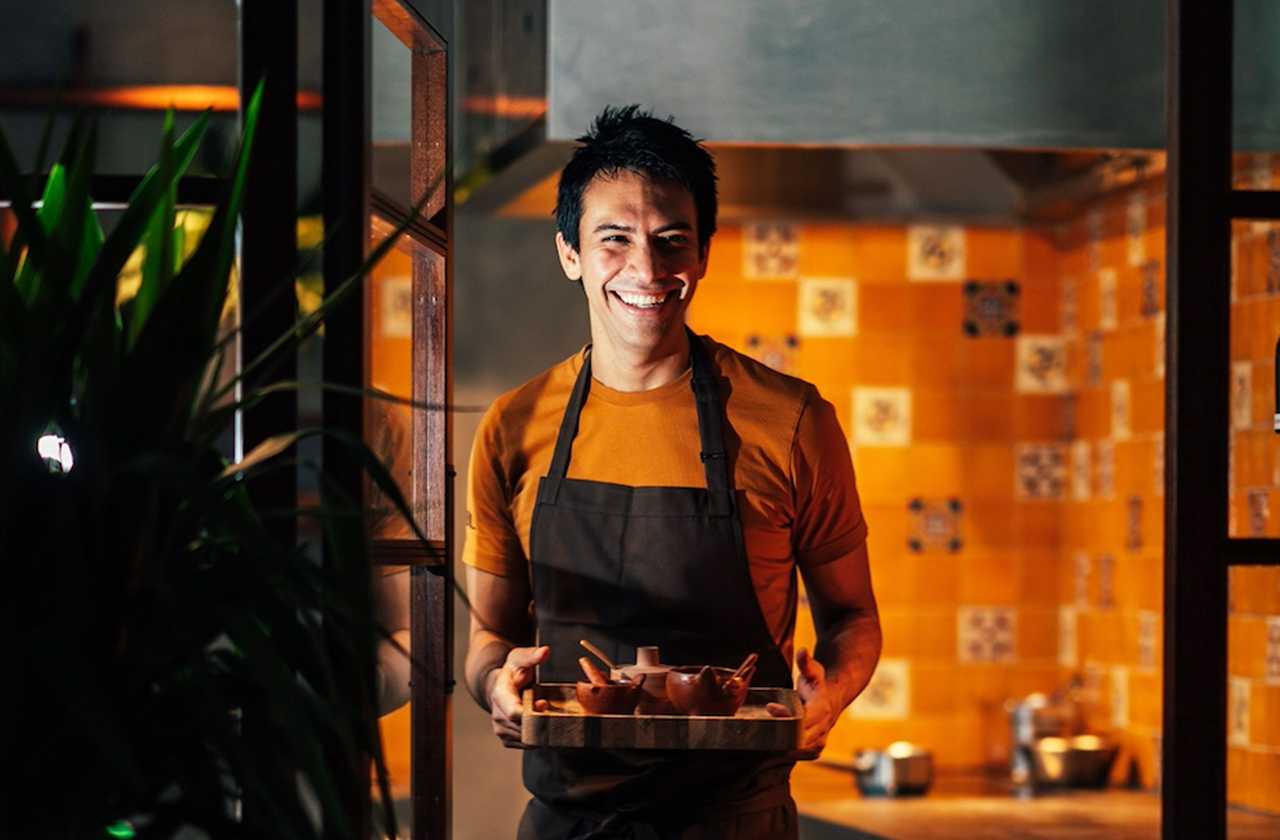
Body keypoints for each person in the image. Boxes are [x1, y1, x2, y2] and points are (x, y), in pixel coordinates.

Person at [462, 105, 881, 839]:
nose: (647, 270)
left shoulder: (791, 421)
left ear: (704, 252)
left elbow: (854, 618)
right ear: (571, 253)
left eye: (671, 241)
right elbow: (488, 640)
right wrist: (496, 686)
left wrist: (831, 697)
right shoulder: (513, 427)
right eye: (614, 240)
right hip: (568, 825)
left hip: (734, 822)